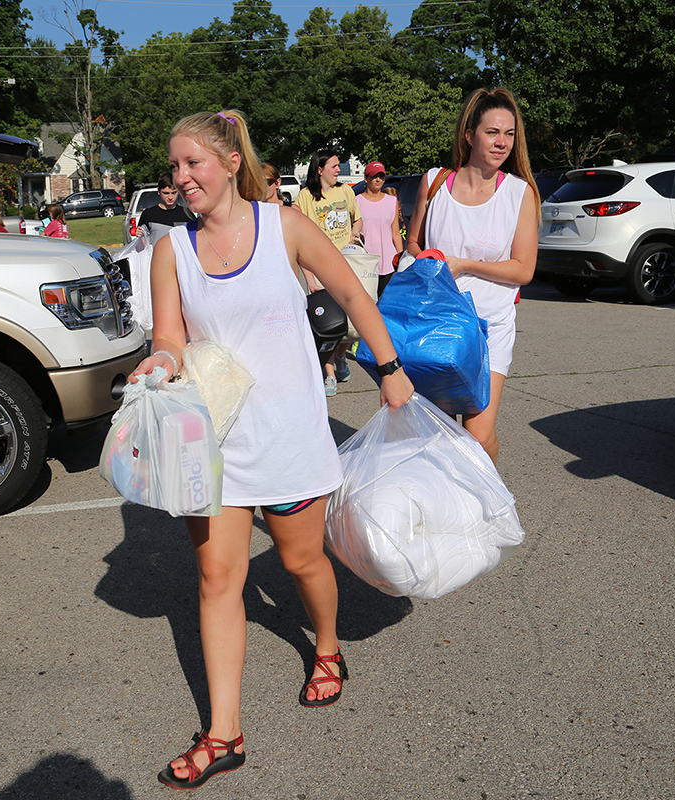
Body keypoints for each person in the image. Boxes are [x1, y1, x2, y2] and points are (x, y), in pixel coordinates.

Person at [129, 109, 413, 791]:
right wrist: (158, 364)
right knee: (217, 580)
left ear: (230, 162)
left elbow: (347, 288)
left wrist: (390, 366)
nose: (181, 177)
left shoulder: (282, 227)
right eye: (174, 167)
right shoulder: (173, 250)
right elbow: (168, 334)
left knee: (301, 559)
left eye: (192, 163)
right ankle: (224, 732)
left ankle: (326, 646)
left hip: (287, 436)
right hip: (215, 446)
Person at [406, 86, 540, 465]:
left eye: (510, 134)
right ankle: (448, 514)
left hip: (491, 327)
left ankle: (489, 510)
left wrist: (464, 264)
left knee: (478, 435)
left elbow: (523, 269)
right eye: (492, 132)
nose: (502, 143)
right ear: (469, 135)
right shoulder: (435, 183)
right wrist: (425, 259)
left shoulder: (520, 193)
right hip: (439, 324)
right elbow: (413, 244)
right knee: (438, 431)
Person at [297, 149, 362, 394]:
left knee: (351, 325)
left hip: (347, 263)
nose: (338, 170)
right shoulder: (305, 197)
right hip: (320, 268)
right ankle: (329, 373)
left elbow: (358, 218)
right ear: (320, 169)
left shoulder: (345, 191)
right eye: (334, 166)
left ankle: (341, 356)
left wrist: (355, 233)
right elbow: (299, 241)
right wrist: (310, 278)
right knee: (329, 323)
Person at [356, 161, 402, 297]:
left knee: (386, 303)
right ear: (366, 178)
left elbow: (396, 233)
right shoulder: (357, 201)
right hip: (366, 262)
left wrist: (401, 259)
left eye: (381, 176)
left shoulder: (391, 201)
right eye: (374, 176)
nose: (378, 179)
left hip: (388, 262)